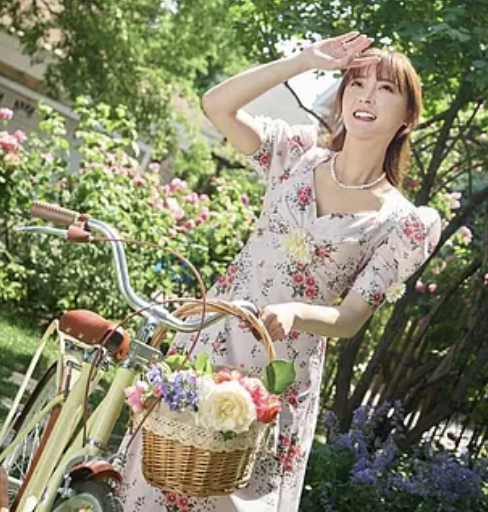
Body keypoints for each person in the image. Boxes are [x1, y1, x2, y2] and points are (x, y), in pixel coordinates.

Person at [120, 31, 442, 512]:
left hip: (278, 374)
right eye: (357, 84)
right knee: (162, 476)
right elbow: (216, 105)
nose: (366, 96)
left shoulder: (403, 223)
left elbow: (350, 319)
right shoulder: (294, 155)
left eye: (385, 89)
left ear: (407, 117)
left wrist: (296, 311)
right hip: (212, 339)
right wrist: (303, 61)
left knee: (233, 499)